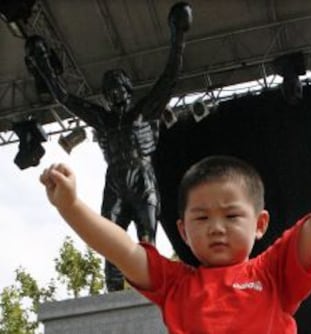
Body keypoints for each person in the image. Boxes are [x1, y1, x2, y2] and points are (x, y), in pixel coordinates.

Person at [39, 127, 311, 333]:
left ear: (260, 224)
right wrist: (72, 206)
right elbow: (121, 249)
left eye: (231, 217)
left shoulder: (274, 272)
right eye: (201, 218)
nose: (216, 228)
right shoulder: (177, 285)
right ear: (182, 230)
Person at [25, 2, 192, 291]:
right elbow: (65, 97)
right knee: (109, 240)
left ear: (128, 91)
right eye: (109, 88)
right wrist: (42, 63)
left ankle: (151, 292)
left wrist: (178, 35)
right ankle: (113, 296)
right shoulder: (101, 120)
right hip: (115, 179)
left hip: (142, 176)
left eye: (119, 87)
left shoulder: (143, 112)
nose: (114, 92)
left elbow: (169, 78)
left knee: (146, 239)